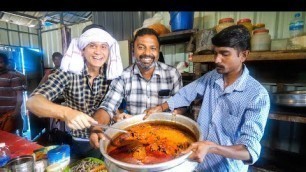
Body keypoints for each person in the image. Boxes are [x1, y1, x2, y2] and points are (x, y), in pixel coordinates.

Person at [143, 25, 270, 172]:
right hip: (197, 164)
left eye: (224, 54)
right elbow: (186, 94)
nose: (217, 60)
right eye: (215, 53)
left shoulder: (257, 95)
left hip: (225, 168)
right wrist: (160, 108)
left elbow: (249, 151)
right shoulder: (213, 77)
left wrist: (212, 147)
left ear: (243, 55)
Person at [26, 25, 123, 160]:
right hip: (79, 140)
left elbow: (110, 103)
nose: (98, 52)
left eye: (103, 46)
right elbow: (32, 102)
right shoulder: (68, 72)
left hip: (107, 136)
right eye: (92, 45)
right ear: (82, 49)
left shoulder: (112, 73)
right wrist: (67, 113)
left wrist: (117, 115)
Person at [89, 27, 186, 149]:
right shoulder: (123, 76)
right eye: (141, 47)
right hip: (134, 139)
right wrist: (96, 127)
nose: (147, 53)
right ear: (133, 50)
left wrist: (173, 114)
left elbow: (182, 104)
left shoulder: (172, 73)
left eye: (153, 48)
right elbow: (107, 106)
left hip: (166, 137)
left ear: (158, 51)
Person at [0, 53, 26, 134]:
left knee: (9, 137)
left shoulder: (13, 76)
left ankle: (21, 134)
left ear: (6, 64)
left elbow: (19, 95)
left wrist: (17, 110)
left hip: (9, 114)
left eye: (1, 62)